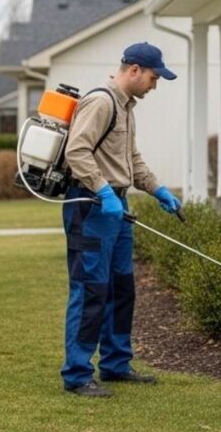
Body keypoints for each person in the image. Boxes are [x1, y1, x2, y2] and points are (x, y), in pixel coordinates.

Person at [60, 42, 181, 398]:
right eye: (153, 77)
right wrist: (104, 191)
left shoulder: (127, 108)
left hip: (117, 207)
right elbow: (76, 151)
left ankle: (115, 364)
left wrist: (159, 190)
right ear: (134, 70)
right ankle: (78, 374)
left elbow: (132, 159)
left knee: (121, 287)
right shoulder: (101, 102)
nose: (154, 85)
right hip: (91, 207)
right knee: (90, 289)